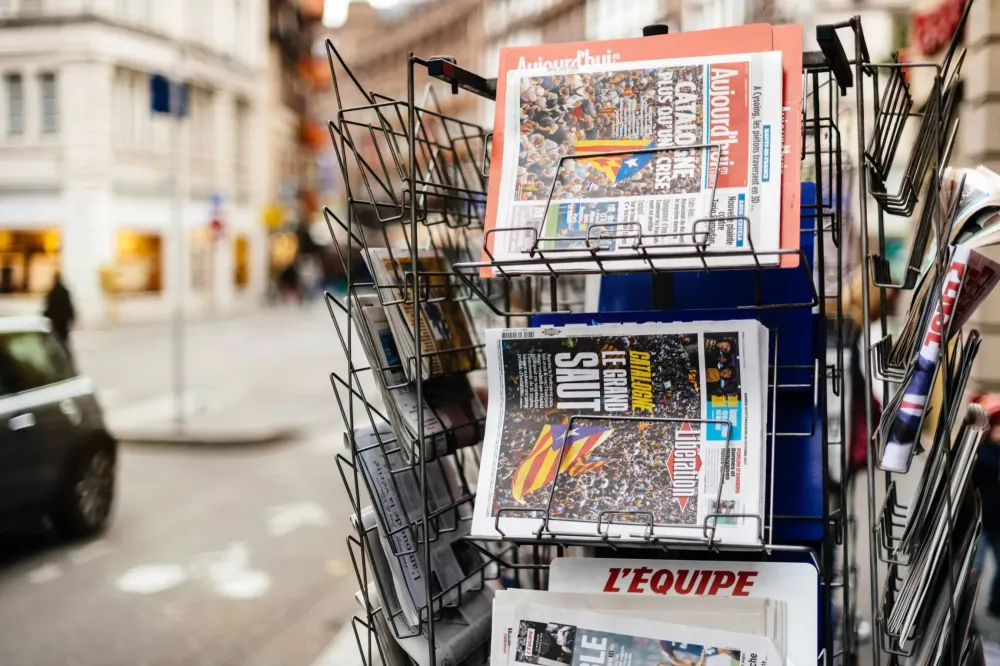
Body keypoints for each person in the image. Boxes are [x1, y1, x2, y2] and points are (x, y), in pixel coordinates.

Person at [972, 393, 1000, 617]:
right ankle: (963, 616)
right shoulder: (978, 453)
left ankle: (997, 605)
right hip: (980, 519)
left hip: (998, 520)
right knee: (974, 567)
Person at [43, 271, 76, 351]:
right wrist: (72, 316)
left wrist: (45, 316)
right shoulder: (64, 291)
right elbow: (68, 305)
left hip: (55, 321)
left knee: (57, 339)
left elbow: (48, 307)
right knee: (63, 339)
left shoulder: (52, 292)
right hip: (63, 320)